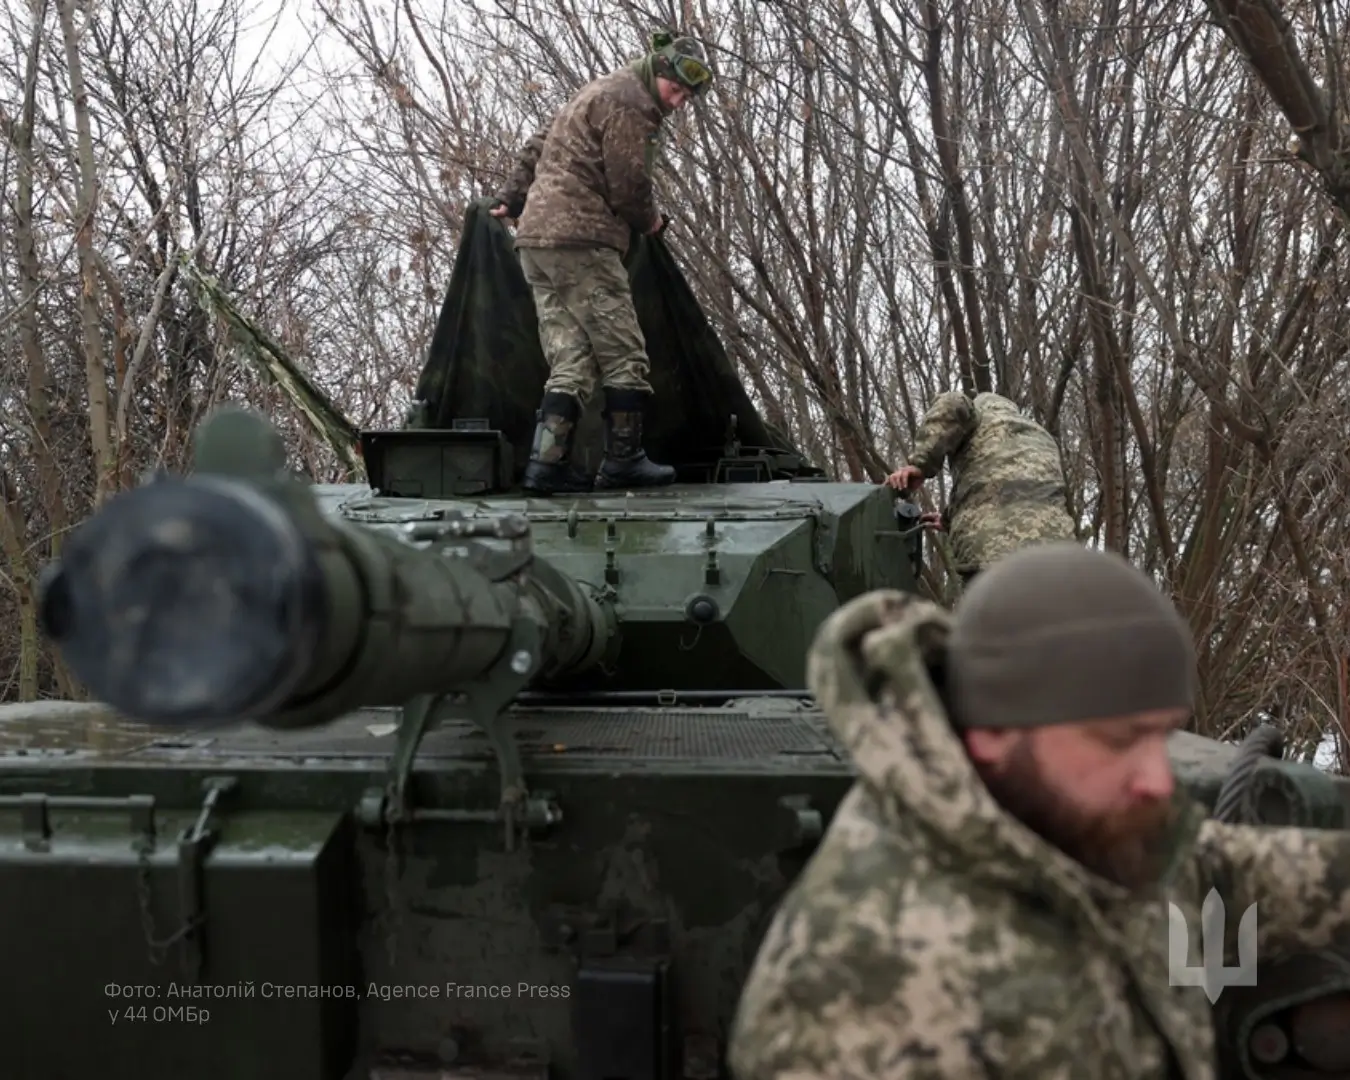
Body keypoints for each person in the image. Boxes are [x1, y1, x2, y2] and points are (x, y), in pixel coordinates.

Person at [728, 542, 1350, 1078]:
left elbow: (1219, 873)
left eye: (1162, 736)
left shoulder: (1081, 826)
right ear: (996, 729)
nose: (1159, 781)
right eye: (1118, 740)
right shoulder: (862, 1007)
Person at [490, 32, 713, 495]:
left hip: (536, 241)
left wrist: (511, 198)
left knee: (570, 357)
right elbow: (629, 185)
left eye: (689, 97)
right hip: (582, 239)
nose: (680, 102)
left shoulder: (597, 90)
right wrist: (651, 222)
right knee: (624, 350)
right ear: (660, 71)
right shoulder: (633, 102)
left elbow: (539, 141)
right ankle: (623, 461)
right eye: (678, 90)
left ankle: (545, 467)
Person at [884, 390, 1076, 585]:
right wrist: (948, 519)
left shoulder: (980, 416)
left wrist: (920, 464)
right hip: (1058, 557)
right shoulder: (1043, 438)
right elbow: (1015, 488)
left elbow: (953, 402)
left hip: (993, 555)